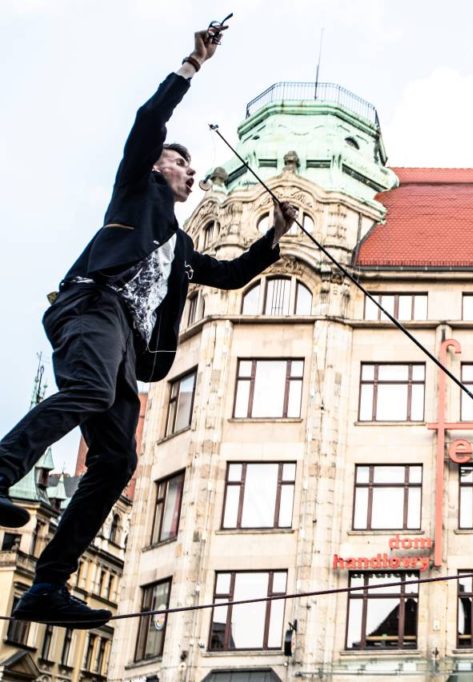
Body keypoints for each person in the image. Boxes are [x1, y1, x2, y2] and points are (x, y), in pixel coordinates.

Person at [0, 22, 297, 628]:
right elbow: (147, 121)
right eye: (178, 159)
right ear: (157, 167)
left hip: (126, 348)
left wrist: (276, 236)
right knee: (86, 391)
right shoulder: (136, 191)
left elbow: (232, 273)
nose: (185, 168)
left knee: (115, 462)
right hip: (93, 304)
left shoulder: (182, 245)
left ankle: (46, 585)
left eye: (188, 166)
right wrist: (192, 64)